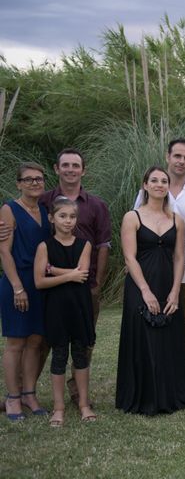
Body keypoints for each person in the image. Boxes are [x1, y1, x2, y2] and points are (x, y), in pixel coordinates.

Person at [0, 148, 111, 405]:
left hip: (82, 284)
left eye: (76, 165)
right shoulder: (43, 201)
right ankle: (17, 394)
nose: (71, 169)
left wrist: (97, 284)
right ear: (57, 169)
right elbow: (14, 233)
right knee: (35, 340)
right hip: (39, 283)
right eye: (66, 165)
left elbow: (103, 245)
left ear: (83, 170)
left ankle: (72, 393)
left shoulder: (95, 205)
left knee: (74, 341)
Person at [116, 166, 185, 415]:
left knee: (169, 339)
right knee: (143, 337)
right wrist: (145, 291)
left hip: (167, 282)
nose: (159, 184)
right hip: (141, 284)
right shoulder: (132, 217)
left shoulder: (176, 220)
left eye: (164, 181)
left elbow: (180, 257)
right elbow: (129, 257)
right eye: (154, 180)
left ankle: (171, 395)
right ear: (145, 185)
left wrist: (174, 291)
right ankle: (143, 397)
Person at [133, 139, 185, 401]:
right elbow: (137, 227)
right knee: (154, 323)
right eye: (177, 156)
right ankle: (161, 375)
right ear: (168, 156)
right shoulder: (151, 187)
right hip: (153, 271)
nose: (181, 161)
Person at [34, 197, 96, 426]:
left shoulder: (85, 244)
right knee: (59, 356)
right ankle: (58, 408)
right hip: (56, 308)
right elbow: (40, 281)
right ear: (51, 218)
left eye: (72, 216)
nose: (68, 221)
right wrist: (68, 275)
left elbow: (83, 274)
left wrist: (54, 270)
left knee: (80, 356)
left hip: (79, 307)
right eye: (62, 216)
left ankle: (84, 404)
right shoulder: (45, 247)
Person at [0, 163, 50, 421]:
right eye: (28, 179)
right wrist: (17, 287)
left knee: (35, 341)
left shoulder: (44, 210)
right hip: (16, 281)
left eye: (39, 179)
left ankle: (30, 394)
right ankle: (12, 398)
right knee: (16, 342)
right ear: (18, 183)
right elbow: (4, 251)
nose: (34, 183)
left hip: (39, 282)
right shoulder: (9, 210)